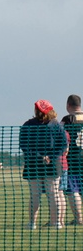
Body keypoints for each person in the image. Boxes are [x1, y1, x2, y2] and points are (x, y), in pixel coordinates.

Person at [19, 100, 67, 230]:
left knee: (36, 194)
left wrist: (43, 156)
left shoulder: (28, 125)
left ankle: (33, 223)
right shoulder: (56, 125)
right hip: (49, 164)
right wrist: (49, 157)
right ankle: (54, 223)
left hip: (34, 164)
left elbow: (24, 145)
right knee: (53, 194)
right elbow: (63, 145)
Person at [61, 95, 83, 225]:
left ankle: (79, 219)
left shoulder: (68, 119)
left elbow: (58, 134)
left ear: (68, 105)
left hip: (73, 159)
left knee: (73, 190)